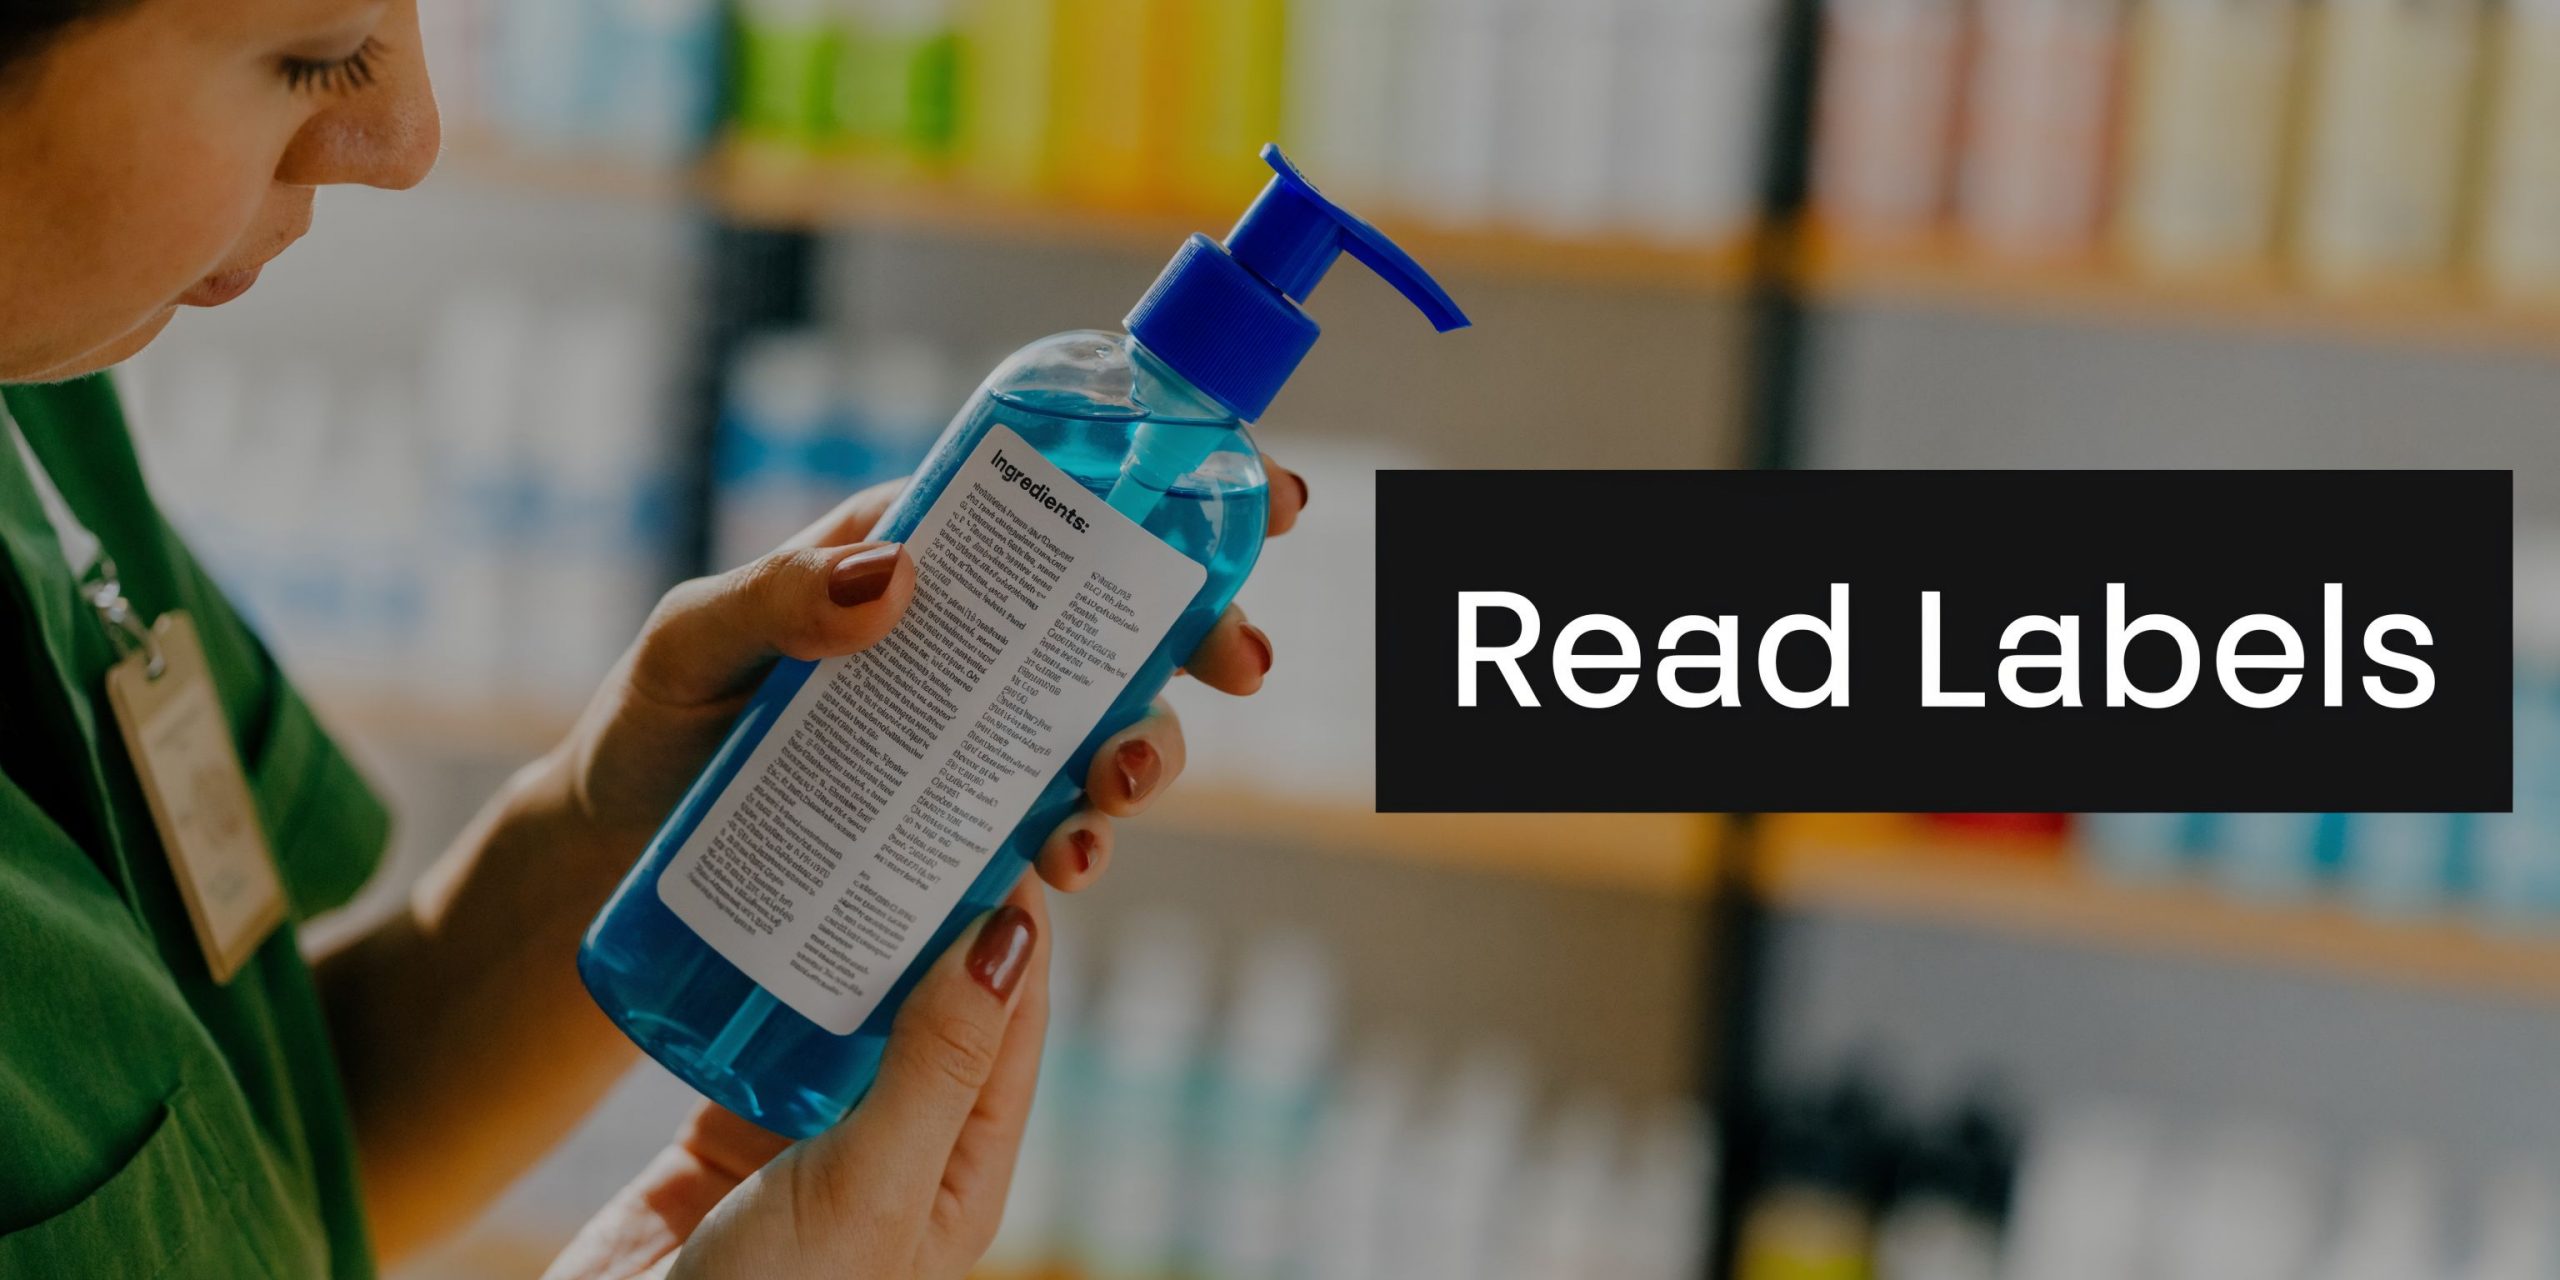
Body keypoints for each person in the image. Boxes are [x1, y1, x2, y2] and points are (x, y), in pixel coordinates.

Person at [0, 0, 1307, 1275]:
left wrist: (635, 803)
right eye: (314, 52)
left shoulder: (44, 398)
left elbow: (242, 1155)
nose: (408, 139)